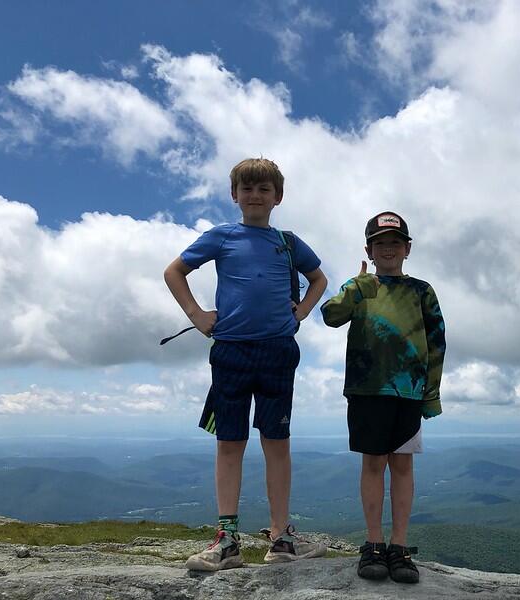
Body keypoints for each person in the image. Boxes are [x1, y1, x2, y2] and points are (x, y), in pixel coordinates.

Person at [164, 158, 328, 571]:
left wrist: (301, 312)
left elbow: (319, 279)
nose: (255, 196)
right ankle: (227, 540)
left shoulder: (288, 242)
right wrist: (197, 315)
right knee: (229, 442)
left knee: (277, 442)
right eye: (248, 189)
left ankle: (281, 538)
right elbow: (175, 271)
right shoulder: (221, 237)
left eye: (264, 190)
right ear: (234, 194)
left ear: (278, 197)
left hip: (277, 349)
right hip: (232, 350)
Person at [320, 211, 446, 584]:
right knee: (373, 463)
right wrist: (356, 288)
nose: (388, 250)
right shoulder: (359, 286)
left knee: (402, 465)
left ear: (407, 248)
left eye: (394, 243)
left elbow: (437, 342)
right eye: (380, 244)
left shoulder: (421, 291)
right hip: (367, 389)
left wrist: (430, 393)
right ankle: (373, 544)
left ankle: (399, 546)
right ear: (369, 250)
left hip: (408, 391)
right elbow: (329, 316)